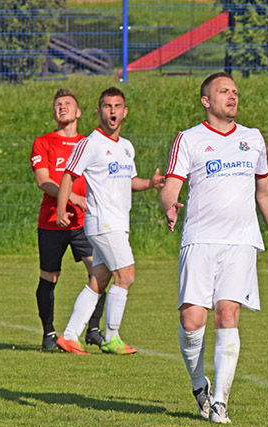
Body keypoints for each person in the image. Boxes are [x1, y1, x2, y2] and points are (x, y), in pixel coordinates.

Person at [159, 72, 268, 424]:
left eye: (235, 92)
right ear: (206, 100)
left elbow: (264, 191)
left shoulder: (253, 138)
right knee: (191, 321)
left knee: (227, 314)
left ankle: (220, 403)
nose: (232, 96)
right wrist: (168, 204)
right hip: (199, 239)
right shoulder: (189, 139)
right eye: (223, 91)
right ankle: (200, 385)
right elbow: (171, 187)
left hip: (241, 241)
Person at [55, 87, 165, 355]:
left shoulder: (126, 147)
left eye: (117, 106)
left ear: (125, 112)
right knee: (126, 275)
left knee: (99, 279)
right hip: (103, 222)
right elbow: (68, 176)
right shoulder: (90, 144)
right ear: (99, 111)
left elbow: (129, 181)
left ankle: (69, 336)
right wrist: (61, 210)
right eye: (107, 106)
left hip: (117, 223)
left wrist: (150, 183)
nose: (112, 111)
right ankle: (112, 337)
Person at [31, 88, 107, 353]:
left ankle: (93, 330)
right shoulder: (44, 142)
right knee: (49, 277)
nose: (61, 107)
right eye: (58, 104)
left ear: (78, 112)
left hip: (85, 223)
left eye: (67, 104)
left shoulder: (90, 144)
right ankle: (49, 334)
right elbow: (43, 180)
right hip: (52, 221)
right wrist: (71, 196)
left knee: (99, 272)